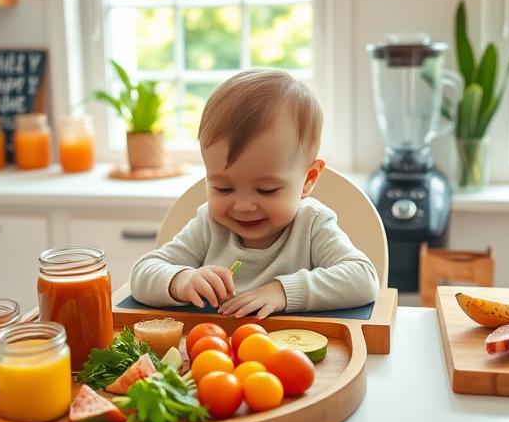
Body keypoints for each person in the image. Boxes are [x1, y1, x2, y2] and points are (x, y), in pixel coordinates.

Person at [130, 69, 379, 319]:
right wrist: (181, 280)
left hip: (291, 343)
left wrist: (283, 292)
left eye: (266, 190)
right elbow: (143, 272)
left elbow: (363, 278)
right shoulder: (209, 225)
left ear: (308, 179)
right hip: (215, 342)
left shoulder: (312, 224)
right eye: (223, 188)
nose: (243, 206)